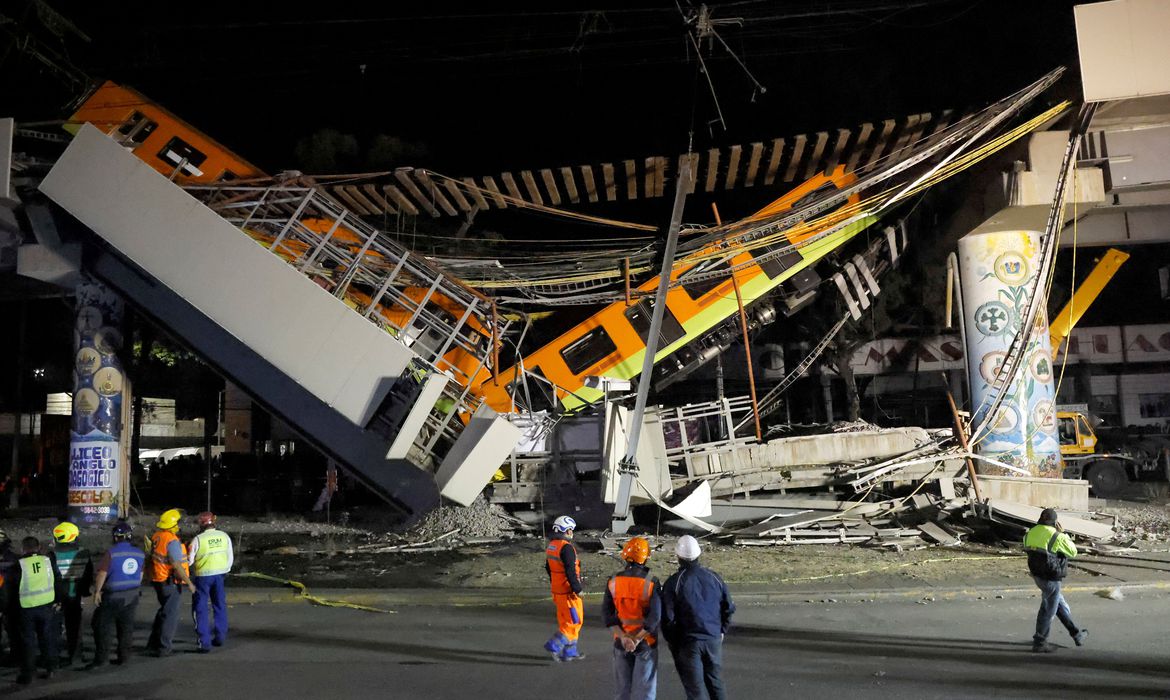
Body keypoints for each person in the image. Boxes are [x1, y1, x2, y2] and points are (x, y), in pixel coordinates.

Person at [662, 535, 735, 700]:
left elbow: (668, 618)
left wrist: (673, 641)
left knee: (695, 691)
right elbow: (728, 607)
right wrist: (722, 630)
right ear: (698, 554)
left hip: (688, 643)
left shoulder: (674, 583)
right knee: (715, 683)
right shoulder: (714, 577)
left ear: (678, 556)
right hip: (713, 638)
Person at [603, 536, 662, 700]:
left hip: (620, 642)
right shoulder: (651, 582)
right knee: (646, 692)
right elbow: (655, 617)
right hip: (645, 643)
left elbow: (607, 614)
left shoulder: (614, 581)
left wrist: (624, 638)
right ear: (645, 557)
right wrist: (636, 639)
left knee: (622, 691)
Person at [1024, 508, 1088, 653]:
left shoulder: (1030, 533)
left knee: (1055, 603)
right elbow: (1073, 552)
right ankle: (1040, 642)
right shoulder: (1057, 536)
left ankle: (1076, 634)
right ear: (1055, 522)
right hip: (1051, 577)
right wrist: (1063, 533)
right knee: (1048, 609)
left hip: (1036, 575)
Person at [89, 520, 145, 669]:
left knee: (102, 626)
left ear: (115, 537)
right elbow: (140, 574)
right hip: (132, 595)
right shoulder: (139, 553)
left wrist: (97, 591)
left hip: (113, 596)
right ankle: (124, 657)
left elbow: (102, 573)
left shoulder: (112, 553)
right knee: (126, 628)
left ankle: (102, 659)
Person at [146, 508, 196, 657]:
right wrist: (189, 583)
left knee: (163, 611)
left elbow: (152, 558)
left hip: (158, 580)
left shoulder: (157, 536)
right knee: (170, 615)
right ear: (174, 525)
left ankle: (153, 643)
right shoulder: (172, 541)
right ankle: (163, 647)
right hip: (170, 582)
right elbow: (175, 564)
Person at [16, 536, 61, 684]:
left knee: (28, 642)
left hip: (27, 608)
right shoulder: (48, 561)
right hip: (47, 605)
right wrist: (58, 600)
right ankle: (51, 669)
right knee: (48, 638)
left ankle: (29, 674)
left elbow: (9, 590)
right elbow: (57, 579)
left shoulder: (19, 565)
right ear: (39, 547)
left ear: (23, 549)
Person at [188, 512, 234, 652]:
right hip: (220, 576)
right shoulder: (224, 536)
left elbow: (189, 561)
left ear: (201, 525)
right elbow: (229, 557)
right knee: (219, 605)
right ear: (214, 522)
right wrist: (225, 570)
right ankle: (220, 637)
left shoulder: (198, 540)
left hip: (202, 577)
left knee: (200, 608)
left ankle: (204, 642)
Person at [51, 521, 94, 665]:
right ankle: (75, 656)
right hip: (74, 595)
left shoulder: (52, 555)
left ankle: (53, 658)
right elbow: (88, 575)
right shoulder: (83, 553)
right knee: (75, 628)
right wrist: (85, 591)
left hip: (55, 597)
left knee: (54, 628)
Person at [543, 515, 584, 661]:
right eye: (570, 530)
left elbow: (549, 568)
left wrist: (556, 582)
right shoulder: (566, 548)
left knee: (565, 621)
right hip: (568, 593)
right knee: (575, 621)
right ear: (565, 530)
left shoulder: (552, 546)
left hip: (557, 591)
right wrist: (577, 588)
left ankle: (570, 651)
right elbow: (570, 571)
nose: (572, 533)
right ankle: (555, 644)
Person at [0, 530, 21, 665]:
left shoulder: (14, 560)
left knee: (13, 631)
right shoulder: (15, 559)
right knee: (14, 631)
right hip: (13, 601)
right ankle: (16, 656)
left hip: (7, 600)